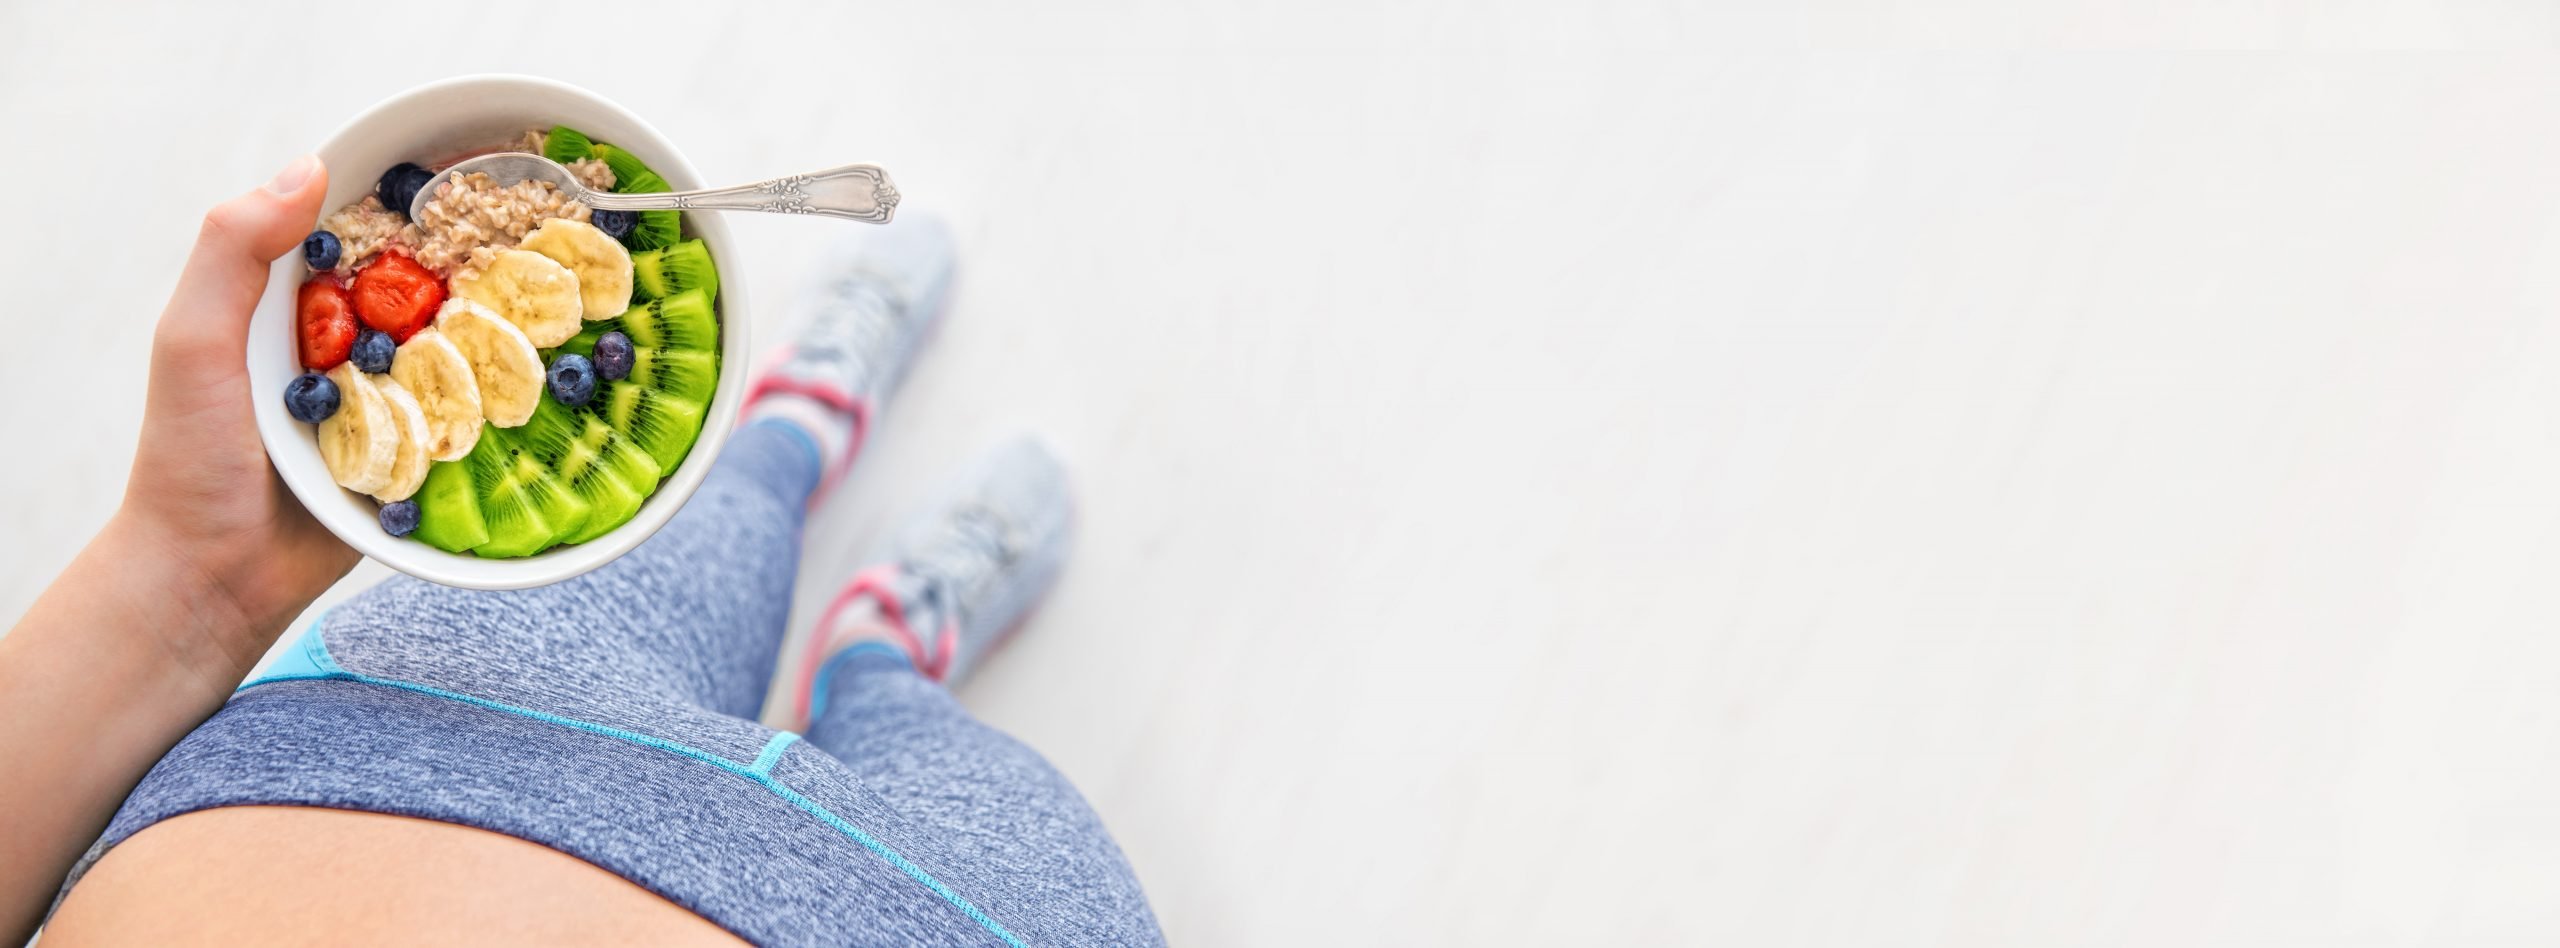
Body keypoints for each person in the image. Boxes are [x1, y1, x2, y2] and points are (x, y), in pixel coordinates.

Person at [0, 156, 1163, 946]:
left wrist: (188, 583)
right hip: (954, 912)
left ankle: (783, 433)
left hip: (422, 738)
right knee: (933, 738)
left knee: (710, 509)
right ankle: (879, 648)